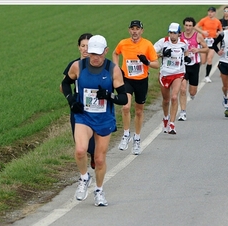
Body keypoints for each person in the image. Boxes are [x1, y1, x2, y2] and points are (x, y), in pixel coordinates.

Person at [61, 34, 127, 206]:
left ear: (106, 51)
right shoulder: (78, 66)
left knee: (99, 159)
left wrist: (109, 95)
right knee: (81, 150)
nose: (95, 58)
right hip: (84, 116)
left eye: (98, 54)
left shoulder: (113, 70)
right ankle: (84, 178)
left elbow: (124, 98)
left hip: (104, 119)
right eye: (92, 53)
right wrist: (72, 101)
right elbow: (65, 83)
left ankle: (99, 191)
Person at [112, 20, 159, 155]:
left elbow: (156, 64)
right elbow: (115, 53)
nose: (135, 31)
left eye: (137, 29)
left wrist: (147, 62)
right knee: (125, 106)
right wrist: (116, 68)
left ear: (141, 31)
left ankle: (137, 138)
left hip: (141, 81)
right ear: (129, 31)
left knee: (139, 111)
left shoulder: (147, 44)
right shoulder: (123, 43)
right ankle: (126, 134)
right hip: (127, 80)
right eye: (132, 29)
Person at [60, 33, 96, 169]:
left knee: (93, 137)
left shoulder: (99, 64)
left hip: (95, 105)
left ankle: (93, 154)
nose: (86, 49)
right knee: (79, 140)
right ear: (79, 48)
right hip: (78, 106)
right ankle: (84, 172)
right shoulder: (74, 65)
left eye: (89, 46)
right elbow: (63, 85)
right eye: (83, 46)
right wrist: (71, 98)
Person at [154, 22, 190, 134]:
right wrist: (162, 54)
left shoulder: (183, 43)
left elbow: (186, 51)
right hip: (165, 74)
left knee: (174, 97)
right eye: (170, 33)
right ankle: (165, 118)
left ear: (179, 34)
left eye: (174, 33)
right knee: (166, 100)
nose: (172, 35)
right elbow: (150, 54)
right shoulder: (163, 42)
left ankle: (172, 124)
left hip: (178, 73)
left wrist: (186, 58)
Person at [178, 17, 208, 121]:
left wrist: (198, 49)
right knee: (182, 89)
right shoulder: (179, 36)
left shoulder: (198, 36)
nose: (188, 28)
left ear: (193, 26)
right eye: (186, 25)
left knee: (193, 91)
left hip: (194, 65)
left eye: (190, 26)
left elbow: (206, 49)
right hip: (182, 66)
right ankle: (183, 112)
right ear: (184, 26)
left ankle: (192, 95)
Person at [195, 7, 223, 83]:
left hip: (213, 41)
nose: (210, 13)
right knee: (203, 61)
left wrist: (218, 33)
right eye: (209, 12)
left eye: (212, 12)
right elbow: (196, 27)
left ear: (214, 13)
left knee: (210, 58)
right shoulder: (204, 20)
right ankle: (195, 71)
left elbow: (221, 30)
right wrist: (203, 32)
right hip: (204, 42)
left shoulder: (217, 21)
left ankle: (207, 76)